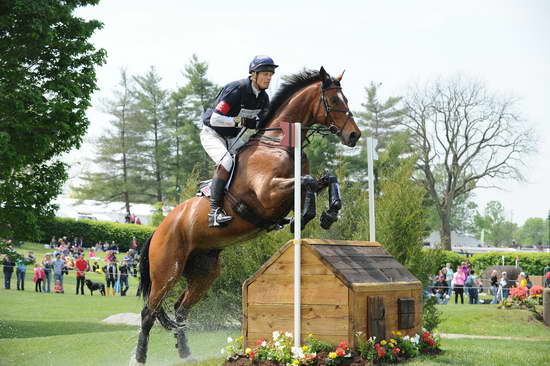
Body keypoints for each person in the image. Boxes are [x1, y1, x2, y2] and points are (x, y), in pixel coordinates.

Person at [200, 55, 277, 227]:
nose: (269, 77)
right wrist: (240, 121)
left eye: (270, 74)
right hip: (213, 134)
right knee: (227, 161)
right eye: (265, 73)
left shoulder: (263, 99)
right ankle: (214, 211)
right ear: (253, 74)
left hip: (233, 138)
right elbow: (215, 119)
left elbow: (262, 125)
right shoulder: (236, 89)